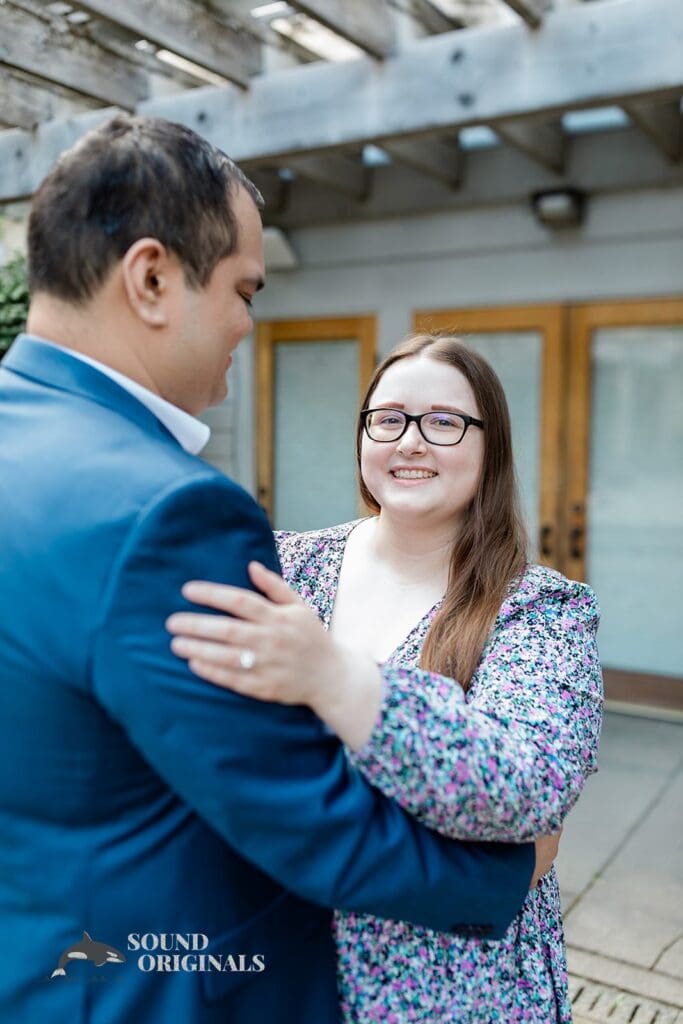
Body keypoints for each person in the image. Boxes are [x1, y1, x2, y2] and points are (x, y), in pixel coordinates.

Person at [0, 115, 542, 1024]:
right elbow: (291, 805)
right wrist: (509, 874)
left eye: (445, 422)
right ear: (152, 279)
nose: (250, 322)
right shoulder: (171, 513)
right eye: (244, 289)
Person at [167, 334, 604, 1023]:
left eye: (443, 422)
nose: (409, 442)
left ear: (490, 445)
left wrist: (333, 678)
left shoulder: (538, 608)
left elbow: (530, 786)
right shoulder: (282, 566)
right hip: (284, 956)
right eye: (388, 418)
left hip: (453, 981)